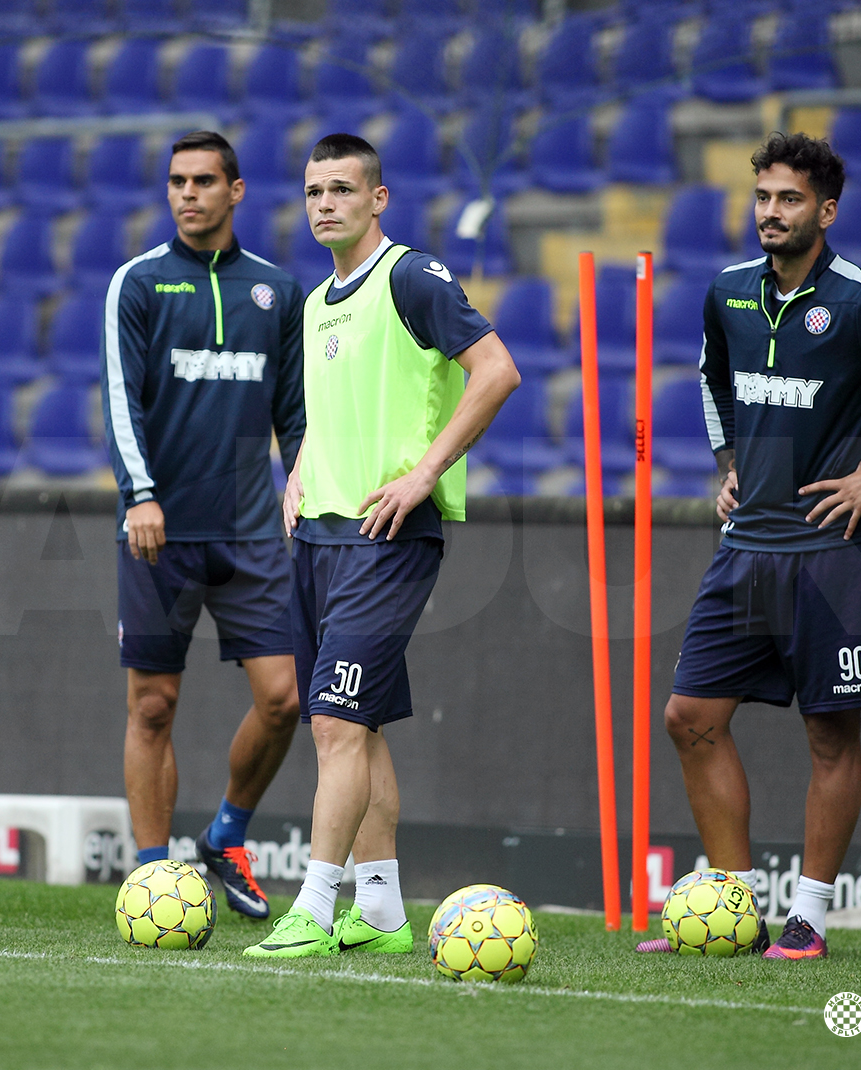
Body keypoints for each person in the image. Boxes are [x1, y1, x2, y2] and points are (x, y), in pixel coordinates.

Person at [642, 132, 861, 960]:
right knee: (689, 718)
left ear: (826, 211)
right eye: (763, 197)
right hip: (744, 546)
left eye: (789, 199)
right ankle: (733, 914)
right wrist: (728, 464)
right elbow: (709, 379)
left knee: (830, 737)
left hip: (835, 553)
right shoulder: (726, 294)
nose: (771, 212)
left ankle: (808, 917)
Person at [244, 134, 521, 958]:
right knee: (358, 727)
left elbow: (497, 370)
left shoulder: (411, 276)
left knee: (331, 723)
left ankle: (315, 910)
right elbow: (329, 415)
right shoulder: (315, 300)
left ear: (378, 198)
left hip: (386, 535)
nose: (324, 203)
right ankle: (386, 912)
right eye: (312, 191)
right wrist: (296, 472)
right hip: (320, 536)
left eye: (340, 189)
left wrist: (423, 474)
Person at [102, 131, 306, 919]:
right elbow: (122, 399)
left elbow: (294, 412)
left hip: (254, 529)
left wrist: (302, 492)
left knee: (284, 698)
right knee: (152, 705)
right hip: (160, 529)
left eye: (203, 181)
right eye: (177, 182)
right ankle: (154, 877)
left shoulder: (277, 291)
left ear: (237, 190)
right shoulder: (138, 283)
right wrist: (140, 495)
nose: (188, 194)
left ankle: (225, 835)